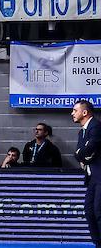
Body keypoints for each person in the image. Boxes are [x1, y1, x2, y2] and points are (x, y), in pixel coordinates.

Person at [72, 99, 98, 248]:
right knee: (89, 212)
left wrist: (83, 154)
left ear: (84, 112)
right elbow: (78, 153)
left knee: (98, 212)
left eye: (75, 110)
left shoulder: (96, 127)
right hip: (91, 178)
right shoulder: (81, 132)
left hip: (100, 177)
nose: (72, 113)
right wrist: (82, 155)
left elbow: (88, 149)